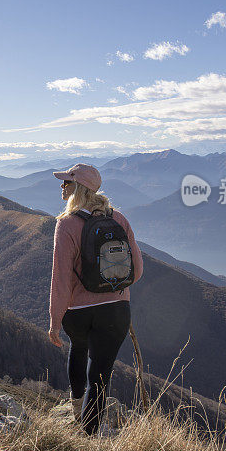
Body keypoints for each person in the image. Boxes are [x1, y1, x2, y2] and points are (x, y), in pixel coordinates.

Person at [47, 163, 144, 436]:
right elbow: (137, 271)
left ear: (78, 188)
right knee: (100, 378)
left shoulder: (66, 225)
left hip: (78, 313)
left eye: (66, 183)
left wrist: (55, 321)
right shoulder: (119, 219)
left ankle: (77, 407)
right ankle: (89, 438)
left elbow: (60, 279)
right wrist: (113, 289)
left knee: (78, 348)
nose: (62, 187)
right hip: (116, 312)